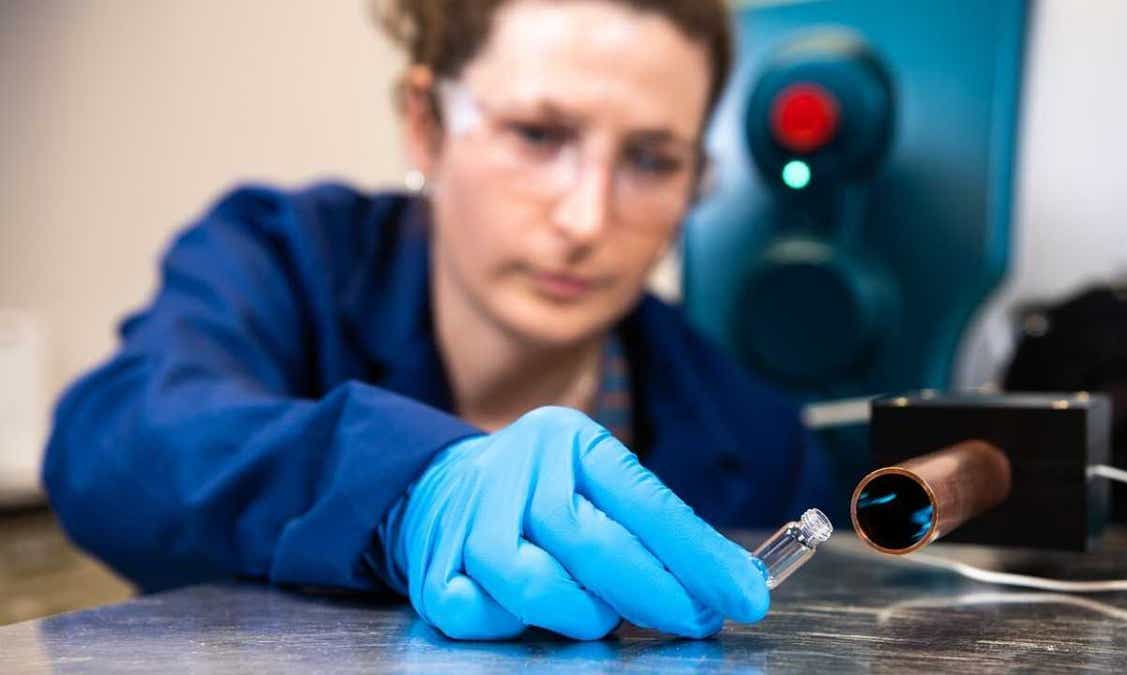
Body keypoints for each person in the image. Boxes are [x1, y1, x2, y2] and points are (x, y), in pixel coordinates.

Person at [43, 0, 835, 641]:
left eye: (652, 160)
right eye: (537, 134)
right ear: (425, 125)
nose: (587, 218)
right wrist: (407, 490)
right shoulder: (286, 260)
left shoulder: (756, 441)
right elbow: (114, 438)